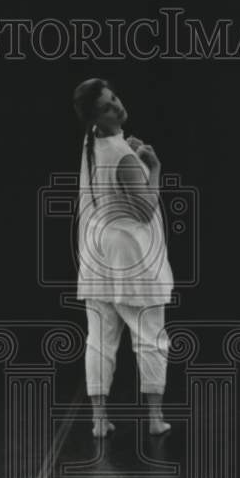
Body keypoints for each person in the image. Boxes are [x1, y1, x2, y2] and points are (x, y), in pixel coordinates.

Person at [73, 79, 174, 437]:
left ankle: (100, 420)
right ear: (96, 118)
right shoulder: (122, 155)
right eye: (106, 106)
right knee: (149, 335)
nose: (116, 106)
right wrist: (154, 167)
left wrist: (128, 150)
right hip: (131, 254)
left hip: (97, 250)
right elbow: (146, 210)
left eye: (114, 98)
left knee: (100, 338)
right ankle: (154, 417)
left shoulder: (91, 143)